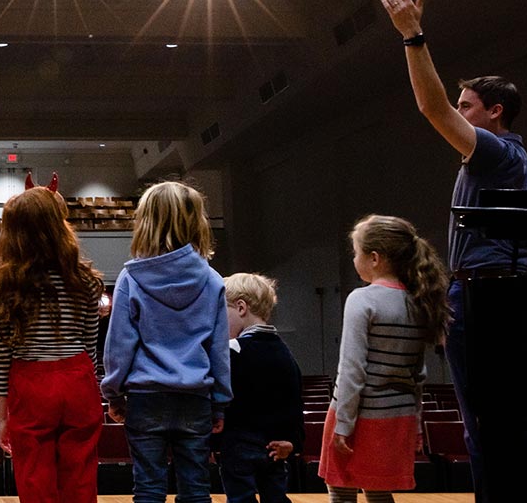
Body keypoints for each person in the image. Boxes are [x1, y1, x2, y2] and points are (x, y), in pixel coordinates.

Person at [380, 0, 527, 502]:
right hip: (512, 293)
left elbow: (430, 108)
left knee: (483, 425)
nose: (458, 111)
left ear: (495, 112)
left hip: (483, 297)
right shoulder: (525, 167)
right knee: (514, 424)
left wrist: (413, 37)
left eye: (467, 106)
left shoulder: (494, 153)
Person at [100, 180, 230, 503]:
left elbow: (119, 346)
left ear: (146, 223)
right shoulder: (212, 280)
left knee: (148, 487)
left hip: (146, 396)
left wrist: (113, 393)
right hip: (196, 396)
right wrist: (220, 402)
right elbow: (219, 350)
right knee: (197, 487)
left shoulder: (131, 278)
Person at [319, 215, 450, 502]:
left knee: (341, 491)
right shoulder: (419, 301)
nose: (354, 259)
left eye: (356, 252)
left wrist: (343, 424)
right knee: (379, 493)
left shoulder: (362, 300)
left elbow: (352, 370)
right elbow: (419, 376)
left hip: (359, 415)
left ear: (375, 258)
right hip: (397, 416)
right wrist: (415, 425)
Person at [0, 186, 105, 503]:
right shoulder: (86, 279)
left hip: (31, 382)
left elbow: (0, 355)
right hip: (78, 377)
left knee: (35, 480)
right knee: (80, 479)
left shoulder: (4, 282)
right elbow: (90, 346)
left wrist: (2, 417)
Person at [216, 273, 303, 503]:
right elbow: (294, 401)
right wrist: (292, 442)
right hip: (275, 447)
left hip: (237, 444)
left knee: (240, 497)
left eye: (221, 314)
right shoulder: (286, 353)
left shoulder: (233, 350)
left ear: (241, 307)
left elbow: (222, 399)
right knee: (275, 496)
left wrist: (212, 443)